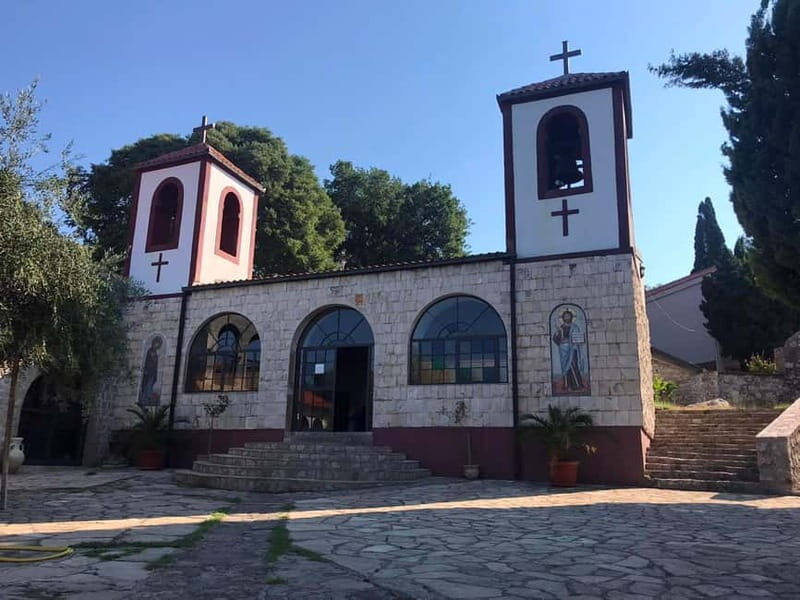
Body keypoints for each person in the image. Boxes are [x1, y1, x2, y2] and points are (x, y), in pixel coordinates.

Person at [552, 310, 587, 393]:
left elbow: (578, 337)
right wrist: (557, 334)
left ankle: (577, 385)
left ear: (571, 317)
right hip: (563, 350)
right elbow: (556, 339)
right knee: (565, 368)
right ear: (563, 318)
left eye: (568, 316)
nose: (567, 317)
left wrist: (579, 339)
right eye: (565, 316)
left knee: (574, 365)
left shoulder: (575, 327)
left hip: (572, 349)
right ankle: (566, 385)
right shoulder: (561, 327)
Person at [138, 337, 163, 406]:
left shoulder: (154, 352)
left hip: (153, 372)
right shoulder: (150, 351)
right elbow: (150, 360)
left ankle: (148, 396)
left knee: (150, 383)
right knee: (147, 384)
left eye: (158, 344)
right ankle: (146, 396)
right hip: (149, 371)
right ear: (154, 343)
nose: (157, 345)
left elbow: (155, 361)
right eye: (156, 344)